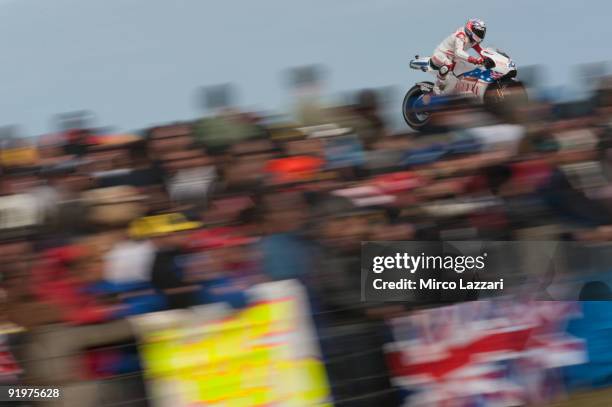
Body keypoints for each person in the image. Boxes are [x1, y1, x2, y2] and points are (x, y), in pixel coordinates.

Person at [430, 18, 487, 94]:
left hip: (454, 59)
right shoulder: (461, 35)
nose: (480, 34)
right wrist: (474, 60)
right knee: (448, 64)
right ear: (470, 28)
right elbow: (458, 52)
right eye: (478, 32)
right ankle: (437, 87)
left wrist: (488, 58)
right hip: (441, 54)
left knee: (472, 70)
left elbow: (481, 50)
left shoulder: (473, 40)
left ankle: (462, 91)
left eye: (481, 33)